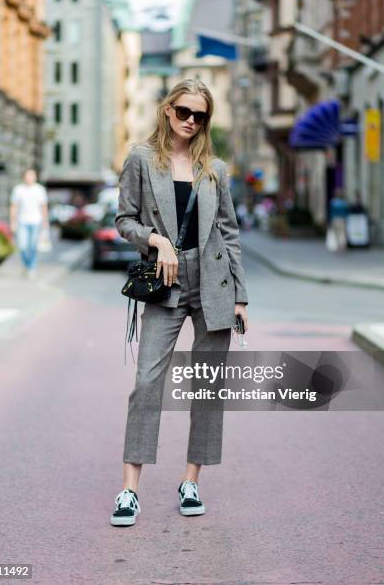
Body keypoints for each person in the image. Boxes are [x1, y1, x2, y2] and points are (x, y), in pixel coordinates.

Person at [111, 78, 249, 526]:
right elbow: (123, 220)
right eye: (184, 111)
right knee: (147, 382)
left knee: (206, 387)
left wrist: (240, 297)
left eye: (200, 115)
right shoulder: (141, 159)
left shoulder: (215, 169)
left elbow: (229, 235)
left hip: (214, 284)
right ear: (168, 110)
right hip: (165, 282)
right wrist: (156, 241)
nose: (191, 121)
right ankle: (129, 489)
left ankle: (191, 480)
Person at [9, 168, 49, 278]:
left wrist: (45, 222)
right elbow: (14, 206)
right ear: (24, 177)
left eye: (32, 175)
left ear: (35, 177)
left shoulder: (39, 190)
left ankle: (31, 267)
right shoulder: (18, 190)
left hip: (36, 221)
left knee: (32, 246)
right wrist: (13, 222)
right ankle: (27, 265)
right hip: (22, 221)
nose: (30, 178)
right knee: (22, 246)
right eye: (28, 175)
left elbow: (44, 207)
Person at [328, 187, 348, 252]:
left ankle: (339, 245)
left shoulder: (333, 202)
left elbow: (331, 212)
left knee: (337, 232)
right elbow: (346, 211)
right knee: (342, 232)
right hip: (342, 219)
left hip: (335, 218)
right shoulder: (344, 203)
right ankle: (342, 245)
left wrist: (330, 220)